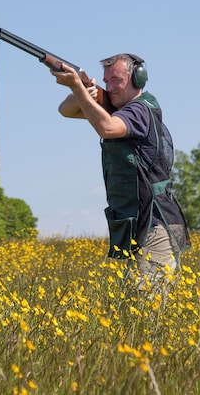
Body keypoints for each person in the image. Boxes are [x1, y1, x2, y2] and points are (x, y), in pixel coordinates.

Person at [52, 53, 190, 292]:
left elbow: (107, 128)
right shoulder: (120, 109)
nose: (110, 87)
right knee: (136, 303)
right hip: (139, 222)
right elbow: (66, 110)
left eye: (116, 80)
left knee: (147, 303)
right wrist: (84, 90)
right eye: (106, 81)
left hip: (156, 221)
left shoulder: (139, 110)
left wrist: (77, 85)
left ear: (137, 79)